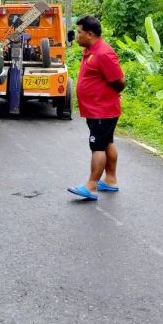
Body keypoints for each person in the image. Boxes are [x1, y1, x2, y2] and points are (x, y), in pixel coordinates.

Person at [67, 16, 126, 201]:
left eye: (79, 32)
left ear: (90, 34)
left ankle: (91, 185)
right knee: (107, 142)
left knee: (97, 146)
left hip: (102, 110)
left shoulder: (103, 53)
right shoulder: (91, 50)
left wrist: (110, 96)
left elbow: (119, 81)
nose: (76, 36)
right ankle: (110, 180)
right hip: (98, 109)